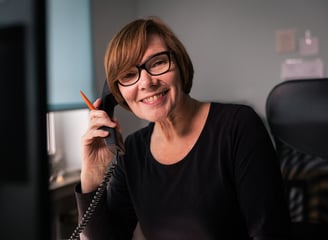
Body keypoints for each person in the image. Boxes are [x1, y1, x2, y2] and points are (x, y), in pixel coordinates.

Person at [74, 16, 291, 239]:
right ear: (117, 93)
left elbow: (270, 233)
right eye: (129, 75)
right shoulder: (133, 150)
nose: (146, 82)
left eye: (157, 62)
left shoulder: (238, 126)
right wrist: (91, 176)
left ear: (179, 64)